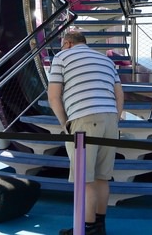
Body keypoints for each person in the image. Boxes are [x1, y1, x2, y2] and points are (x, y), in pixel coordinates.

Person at [47, 30, 123, 235]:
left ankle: (86, 228)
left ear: (68, 43)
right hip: (110, 118)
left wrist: (65, 124)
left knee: (85, 179)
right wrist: (114, 119)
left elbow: (53, 96)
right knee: (102, 177)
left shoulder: (62, 57)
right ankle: (99, 226)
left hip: (84, 119)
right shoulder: (106, 60)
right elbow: (119, 95)